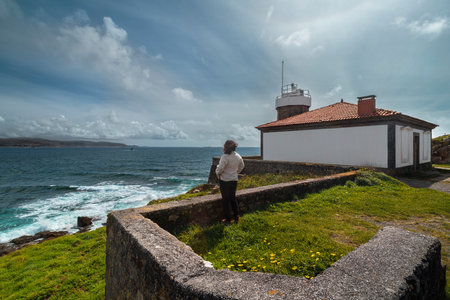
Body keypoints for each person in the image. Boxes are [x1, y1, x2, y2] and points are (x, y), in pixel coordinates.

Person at [215, 140, 245, 224]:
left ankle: (227, 219)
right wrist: (236, 173)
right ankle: (236, 216)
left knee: (225, 200)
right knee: (232, 198)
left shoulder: (225, 157)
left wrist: (217, 172)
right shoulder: (238, 156)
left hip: (225, 180)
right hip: (234, 180)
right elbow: (242, 166)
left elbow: (220, 169)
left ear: (225, 147)